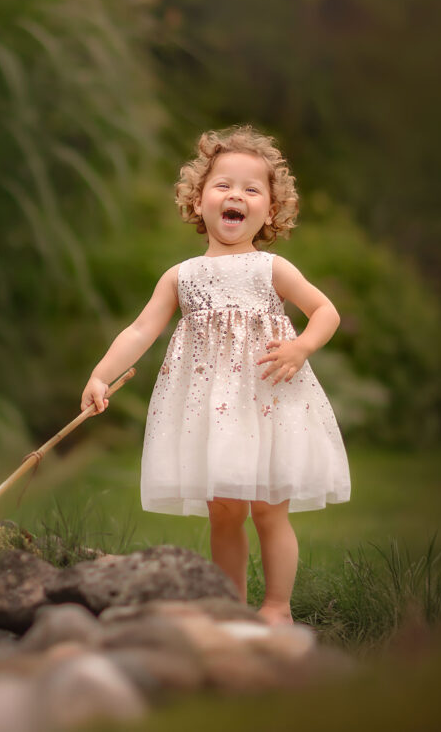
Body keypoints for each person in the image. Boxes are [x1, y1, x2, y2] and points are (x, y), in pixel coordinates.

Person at [81, 126, 350, 626]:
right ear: (197, 200)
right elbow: (140, 330)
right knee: (224, 511)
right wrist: (101, 375)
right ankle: (229, 609)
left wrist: (301, 346)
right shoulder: (180, 276)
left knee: (270, 509)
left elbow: (326, 311)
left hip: (268, 401)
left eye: (252, 190)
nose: (236, 196)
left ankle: (276, 607)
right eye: (223, 185)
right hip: (212, 410)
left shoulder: (271, 268)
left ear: (270, 210)